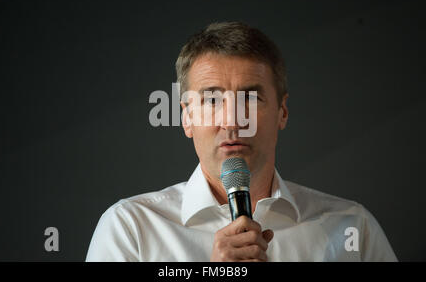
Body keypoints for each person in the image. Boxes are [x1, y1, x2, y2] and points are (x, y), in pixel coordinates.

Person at [85, 22, 397, 261]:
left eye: (250, 99)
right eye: (211, 99)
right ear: (187, 118)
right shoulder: (131, 229)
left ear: (282, 112)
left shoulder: (354, 227)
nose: (233, 120)